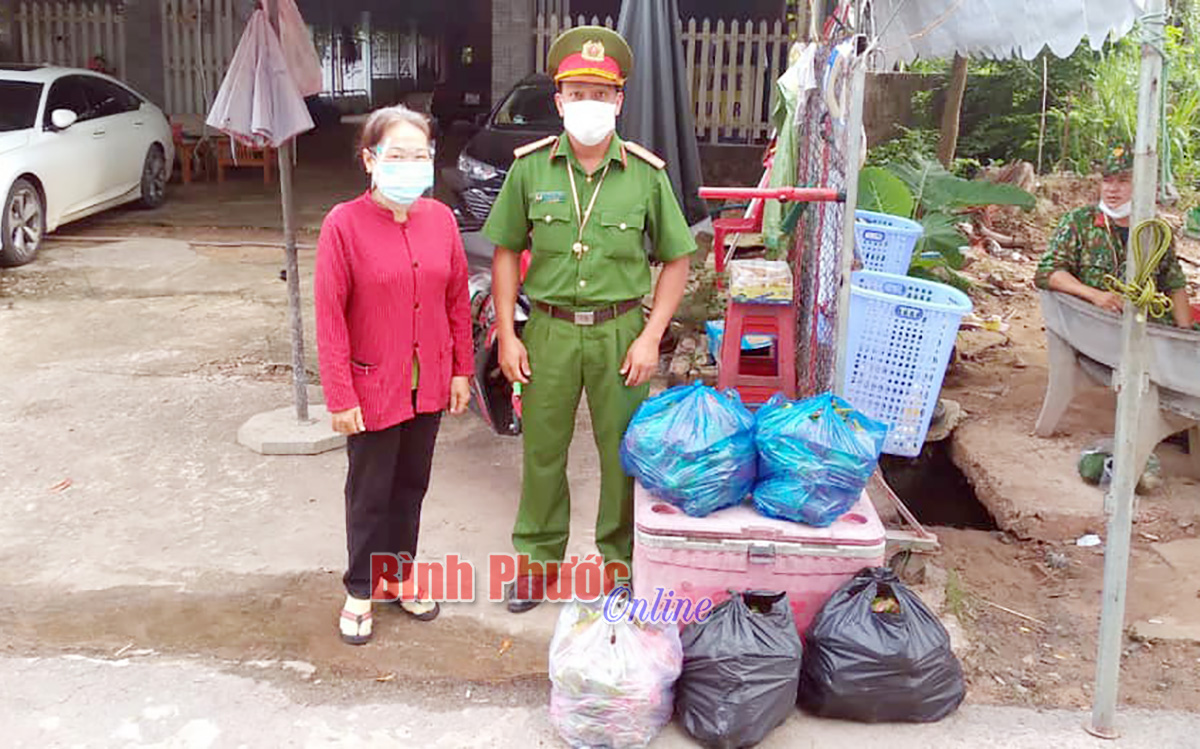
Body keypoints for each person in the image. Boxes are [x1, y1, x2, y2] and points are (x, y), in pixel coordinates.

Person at [482, 26, 697, 613]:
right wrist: (508, 333)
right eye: (577, 93)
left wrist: (652, 337)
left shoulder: (646, 175)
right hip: (547, 332)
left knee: (621, 454)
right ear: (558, 101)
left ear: (619, 100)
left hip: (621, 334)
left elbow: (678, 259)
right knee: (542, 451)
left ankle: (619, 566)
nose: (589, 105)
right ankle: (537, 562)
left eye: (600, 95)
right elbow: (504, 251)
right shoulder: (530, 170)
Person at [315, 105, 474, 645]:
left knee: (411, 486)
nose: (411, 165)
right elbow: (330, 316)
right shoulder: (343, 224)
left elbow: (457, 300)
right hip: (371, 386)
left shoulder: (441, 220)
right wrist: (340, 394)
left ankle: (399, 574)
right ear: (370, 159)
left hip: (427, 384)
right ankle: (360, 587)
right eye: (397, 155)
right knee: (370, 491)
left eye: (421, 155)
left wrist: (461, 371)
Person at [1035, 143, 1193, 328]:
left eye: (1123, 180)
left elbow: (1174, 284)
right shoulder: (1079, 222)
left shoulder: (1155, 230)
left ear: (1143, 184)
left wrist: (1185, 335)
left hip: (1142, 327)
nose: (1112, 189)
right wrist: (1096, 296)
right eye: (1107, 180)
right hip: (1089, 323)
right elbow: (1048, 273)